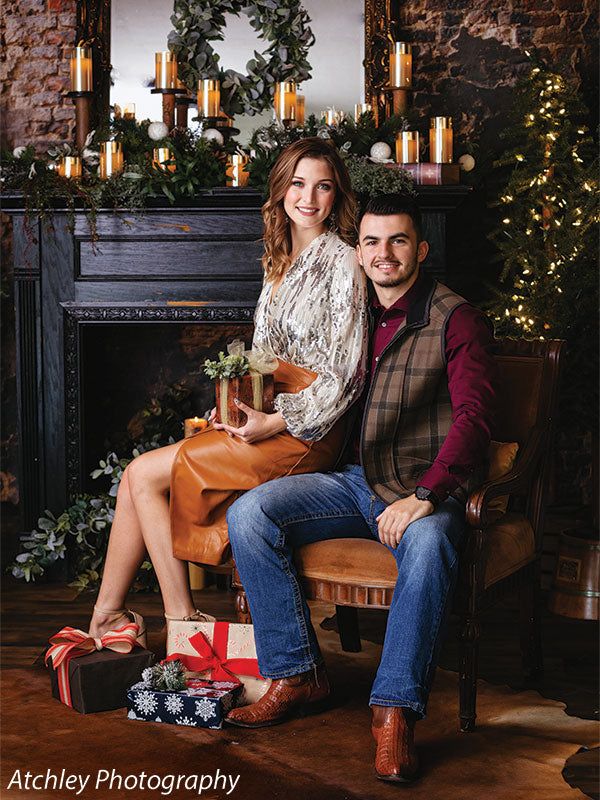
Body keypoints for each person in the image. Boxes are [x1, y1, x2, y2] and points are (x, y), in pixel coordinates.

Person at [224, 193, 498, 784]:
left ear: (420, 249)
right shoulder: (358, 313)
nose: (383, 254)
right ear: (359, 252)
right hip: (353, 482)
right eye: (371, 242)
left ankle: (394, 711)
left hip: (420, 491)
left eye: (397, 241)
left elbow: (476, 419)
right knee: (250, 515)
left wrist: (428, 494)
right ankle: (297, 674)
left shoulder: (456, 318)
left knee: (428, 546)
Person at [87, 138, 368, 642]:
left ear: (336, 195)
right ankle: (115, 617)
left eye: (323, 186)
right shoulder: (278, 261)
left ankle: (179, 621)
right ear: (281, 189)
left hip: (307, 432)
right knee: (137, 477)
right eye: (298, 183)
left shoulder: (344, 261)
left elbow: (344, 376)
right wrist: (236, 411)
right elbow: (262, 359)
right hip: (266, 418)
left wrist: (275, 421)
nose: (309, 197)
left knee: (143, 476)